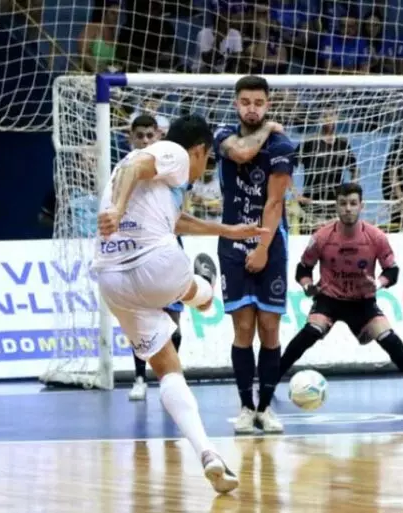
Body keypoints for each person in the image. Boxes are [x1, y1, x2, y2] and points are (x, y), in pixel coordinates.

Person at [94, 113, 267, 494]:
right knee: (195, 292)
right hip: (156, 265)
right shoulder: (171, 151)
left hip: (112, 280)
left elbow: (174, 220)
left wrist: (227, 230)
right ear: (199, 150)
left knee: (167, 368)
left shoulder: (155, 182)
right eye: (208, 160)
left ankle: (208, 454)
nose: (204, 169)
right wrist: (117, 210)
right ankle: (204, 289)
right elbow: (139, 164)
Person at [277, 182, 403, 390]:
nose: (348, 208)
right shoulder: (321, 237)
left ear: (362, 206)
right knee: (310, 333)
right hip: (329, 299)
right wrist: (307, 286)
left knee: (388, 337)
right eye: (343, 203)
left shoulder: (376, 237)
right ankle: (273, 377)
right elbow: (303, 269)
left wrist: (377, 284)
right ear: (336, 206)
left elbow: (392, 271)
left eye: (353, 203)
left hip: (362, 302)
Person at [213, 75, 297, 434]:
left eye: (259, 103)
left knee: (270, 328)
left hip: (270, 242)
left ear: (268, 104)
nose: (252, 109)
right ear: (236, 103)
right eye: (245, 102)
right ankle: (246, 408)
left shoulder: (282, 145)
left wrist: (262, 248)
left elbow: (275, 202)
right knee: (243, 328)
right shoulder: (222, 135)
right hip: (232, 242)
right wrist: (266, 128)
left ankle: (266, 408)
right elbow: (242, 153)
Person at [124, 114, 187, 401]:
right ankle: (139, 378)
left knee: (174, 320)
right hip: (137, 250)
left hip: (169, 245)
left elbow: (181, 211)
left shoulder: (172, 169)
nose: (145, 141)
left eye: (150, 135)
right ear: (131, 138)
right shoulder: (124, 170)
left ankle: (170, 378)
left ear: (159, 136)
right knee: (141, 322)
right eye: (140, 136)